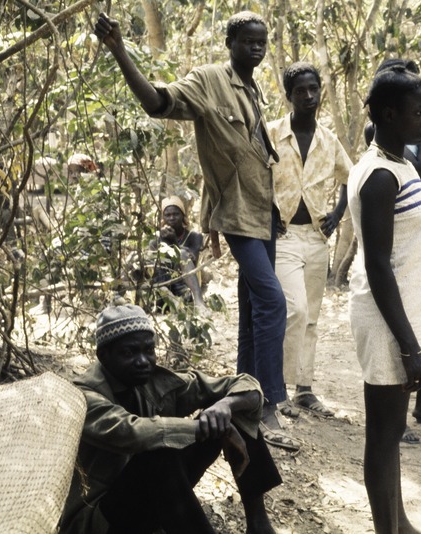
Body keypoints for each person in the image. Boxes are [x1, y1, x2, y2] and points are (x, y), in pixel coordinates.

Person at [94, 12, 291, 449]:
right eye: (248, 41)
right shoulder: (208, 80)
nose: (256, 49)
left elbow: (256, 154)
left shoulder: (253, 87)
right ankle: (270, 402)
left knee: (254, 305)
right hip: (235, 212)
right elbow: (156, 102)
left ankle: (244, 394)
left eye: (262, 42)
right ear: (230, 42)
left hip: (262, 211)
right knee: (273, 302)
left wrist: (275, 207)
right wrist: (119, 49)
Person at [59, 303, 281, 534]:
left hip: (150, 500)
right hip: (99, 520)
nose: (143, 360)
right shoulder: (82, 395)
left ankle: (259, 526)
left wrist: (225, 405)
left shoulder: (151, 382)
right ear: (103, 356)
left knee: (227, 413)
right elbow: (131, 432)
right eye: (129, 352)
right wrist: (204, 427)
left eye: (149, 350)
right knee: (157, 456)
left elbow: (242, 385)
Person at [348, 66, 421, 532]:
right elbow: (377, 267)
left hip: (406, 318)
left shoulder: (399, 161)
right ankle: (385, 527)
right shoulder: (377, 177)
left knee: (392, 434)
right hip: (390, 322)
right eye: (418, 112)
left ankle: (398, 520)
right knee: (384, 434)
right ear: (389, 114)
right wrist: (410, 347)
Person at [269, 62, 351, 418]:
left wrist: (338, 213)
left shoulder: (328, 141)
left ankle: (304, 388)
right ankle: (279, 390)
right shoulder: (272, 133)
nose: (309, 96)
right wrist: (265, 211)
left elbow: (351, 177)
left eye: (313, 89)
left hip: (317, 236)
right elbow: (255, 174)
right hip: (284, 235)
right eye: (300, 90)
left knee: (312, 316)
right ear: (288, 96)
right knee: (294, 309)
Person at [149, 196, 206, 309]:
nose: (172, 218)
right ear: (163, 218)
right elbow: (151, 268)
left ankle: (199, 302)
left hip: (184, 290)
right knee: (134, 257)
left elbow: (192, 261)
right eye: (168, 215)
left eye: (176, 214)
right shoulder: (156, 240)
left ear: (183, 216)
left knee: (183, 253)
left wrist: (174, 241)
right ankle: (117, 298)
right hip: (161, 291)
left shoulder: (194, 237)